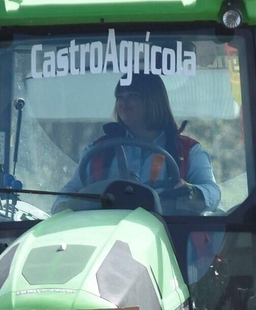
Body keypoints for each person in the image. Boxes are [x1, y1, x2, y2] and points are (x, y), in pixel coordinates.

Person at [60, 72, 221, 212]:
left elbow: (213, 192)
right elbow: (67, 195)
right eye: (120, 97)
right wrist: (64, 208)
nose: (123, 103)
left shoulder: (188, 150)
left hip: (168, 236)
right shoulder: (98, 150)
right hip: (106, 232)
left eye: (133, 96)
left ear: (154, 101)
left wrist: (190, 192)